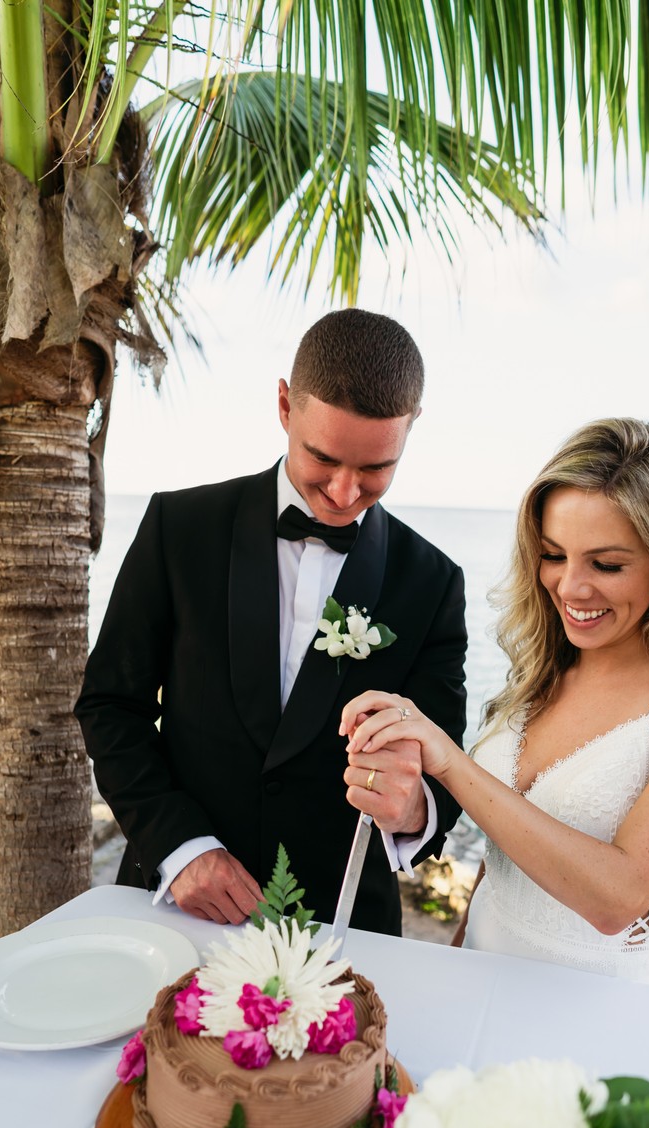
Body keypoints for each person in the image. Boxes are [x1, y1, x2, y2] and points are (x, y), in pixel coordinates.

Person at [76, 309, 467, 935]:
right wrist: (180, 848)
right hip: (178, 906)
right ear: (285, 407)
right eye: (324, 458)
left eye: (374, 471)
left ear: (410, 428)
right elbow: (110, 705)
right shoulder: (179, 529)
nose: (342, 493)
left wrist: (415, 808)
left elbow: (444, 759)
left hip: (345, 926)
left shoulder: (434, 582)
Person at [341, 418, 649, 983]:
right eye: (553, 554)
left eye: (607, 564)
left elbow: (618, 900)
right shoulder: (545, 669)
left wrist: (448, 761)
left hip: (592, 1012)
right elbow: (502, 868)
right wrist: (456, 957)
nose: (570, 587)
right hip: (475, 976)